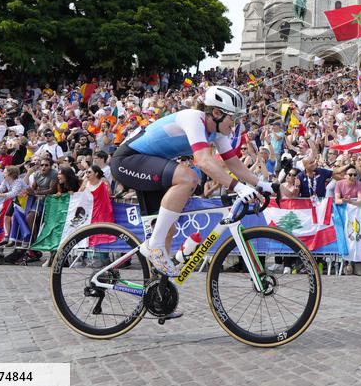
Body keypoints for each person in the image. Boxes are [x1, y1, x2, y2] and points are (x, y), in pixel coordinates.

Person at [109, 86, 260, 276]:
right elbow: (204, 161)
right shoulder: (193, 118)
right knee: (189, 178)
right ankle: (153, 246)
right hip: (128, 160)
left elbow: (233, 164)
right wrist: (238, 187)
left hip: (150, 164)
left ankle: (158, 290)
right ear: (216, 113)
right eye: (233, 117)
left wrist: (264, 185)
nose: (236, 123)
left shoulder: (218, 132)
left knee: (167, 228)